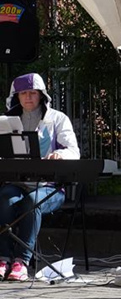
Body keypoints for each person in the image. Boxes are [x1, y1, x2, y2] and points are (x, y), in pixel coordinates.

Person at [0, 73, 80, 282]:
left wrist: (60, 154)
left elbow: (73, 150)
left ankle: (21, 261)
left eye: (32, 93)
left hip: (50, 186)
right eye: (23, 93)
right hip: (17, 183)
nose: (28, 97)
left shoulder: (57, 119)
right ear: (16, 96)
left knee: (32, 203)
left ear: (41, 95)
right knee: (4, 200)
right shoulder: (6, 121)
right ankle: (2, 258)